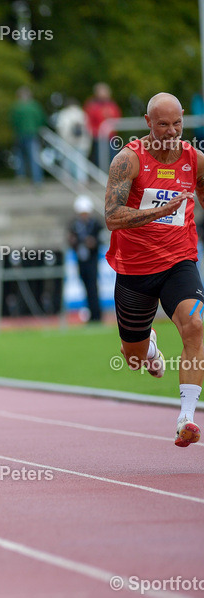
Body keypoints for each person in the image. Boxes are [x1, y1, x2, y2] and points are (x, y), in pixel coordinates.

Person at [104, 92, 204, 448]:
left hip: (179, 262)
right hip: (135, 269)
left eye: (177, 123)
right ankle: (149, 350)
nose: (171, 131)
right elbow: (112, 216)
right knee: (132, 358)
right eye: (163, 124)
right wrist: (159, 212)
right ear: (148, 122)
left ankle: (186, 418)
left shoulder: (196, 160)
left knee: (195, 325)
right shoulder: (128, 160)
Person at [68, 195, 103, 322]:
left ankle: (96, 314)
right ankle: (90, 312)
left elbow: (101, 239)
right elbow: (71, 240)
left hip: (92, 260)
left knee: (93, 286)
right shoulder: (75, 225)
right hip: (81, 260)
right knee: (85, 286)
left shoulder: (95, 224)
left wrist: (94, 242)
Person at [11, 86, 46, 184]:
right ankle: (37, 179)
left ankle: (21, 177)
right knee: (34, 157)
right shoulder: (35, 106)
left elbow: (14, 122)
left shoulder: (17, 107)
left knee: (20, 157)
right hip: (33, 134)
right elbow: (41, 120)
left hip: (20, 134)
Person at [85, 83, 122, 169]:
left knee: (114, 158)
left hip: (111, 138)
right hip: (99, 138)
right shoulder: (92, 106)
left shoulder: (112, 105)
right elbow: (89, 121)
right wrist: (95, 133)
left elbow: (117, 118)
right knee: (100, 159)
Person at [55, 97, 91, 182]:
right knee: (81, 161)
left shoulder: (64, 114)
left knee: (68, 161)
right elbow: (88, 130)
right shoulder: (82, 114)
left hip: (68, 142)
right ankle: (82, 180)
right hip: (82, 142)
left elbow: (61, 128)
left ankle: (67, 179)